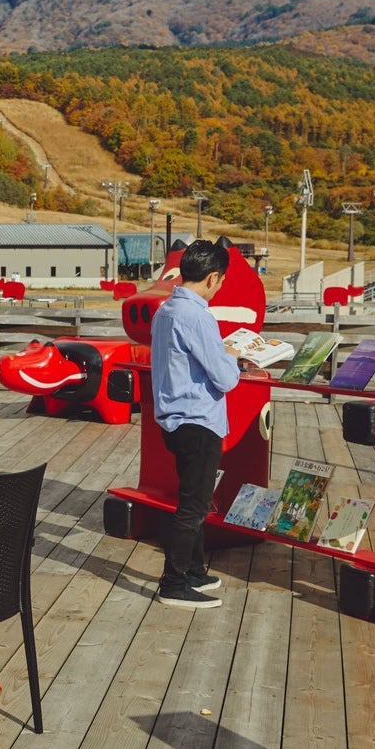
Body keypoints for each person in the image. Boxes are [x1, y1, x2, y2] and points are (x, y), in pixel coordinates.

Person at [149, 239, 257, 609]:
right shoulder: (198, 316)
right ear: (213, 278)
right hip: (198, 420)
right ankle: (173, 583)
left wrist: (224, 357)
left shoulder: (166, 310)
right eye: (221, 280)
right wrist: (233, 356)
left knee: (192, 496)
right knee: (193, 505)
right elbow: (224, 380)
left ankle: (193, 570)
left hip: (174, 417)